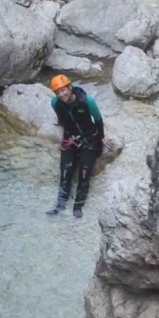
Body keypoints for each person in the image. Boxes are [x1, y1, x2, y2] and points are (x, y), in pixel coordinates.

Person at [46, 74, 105, 218]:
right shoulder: (55, 103)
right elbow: (61, 118)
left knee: (84, 174)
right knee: (65, 173)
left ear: (70, 87)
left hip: (89, 138)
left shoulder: (87, 101)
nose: (62, 94)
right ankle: (60, 205)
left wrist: (102, 137)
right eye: (58, 92)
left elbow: (98, 120)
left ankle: (78, 206)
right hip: (70, 138)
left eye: (64, 90)